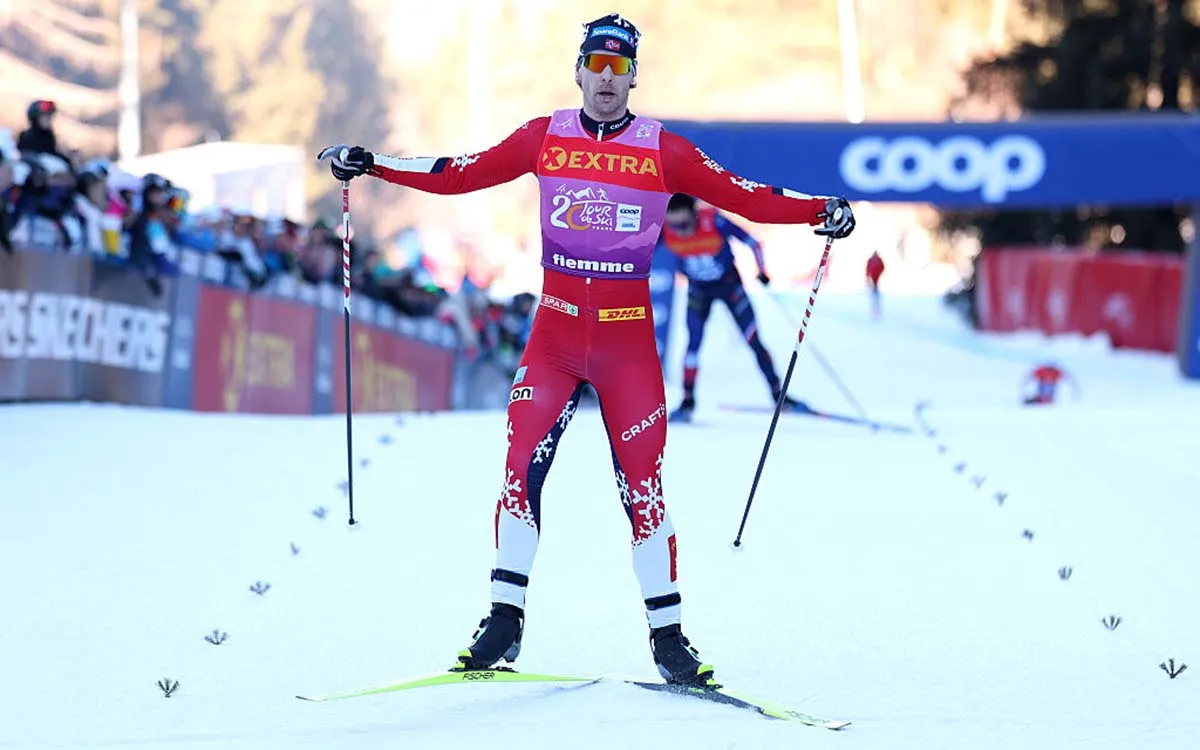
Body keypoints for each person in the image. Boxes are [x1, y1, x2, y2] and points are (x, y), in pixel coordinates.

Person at [321, 12, 856, 687]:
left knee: (644, 488)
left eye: (619, 68)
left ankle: (669, 639)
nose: (607, 79)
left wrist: (819, 210)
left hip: (627, 345)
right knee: (520, 466)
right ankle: (504, 620)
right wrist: (373, 164)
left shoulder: (666, 150)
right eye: (596, 66)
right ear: (578, 71)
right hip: (555, 336)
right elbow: (462, 171)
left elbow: (742, 194)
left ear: (633, 77)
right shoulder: (545, 136)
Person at [657, 193, 804, 423]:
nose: (679, 230)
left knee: (753, 340)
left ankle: (779, 395)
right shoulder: (663, 229)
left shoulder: (713, 220)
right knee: (693, 345)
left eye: (683, 224)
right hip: (698, 292)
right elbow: (639, 250)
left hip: (730, 288)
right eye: (674, 225)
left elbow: (753, 243)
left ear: (694, 215)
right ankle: (687, 402)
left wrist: (762, 271)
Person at [866, 250, 885, 319]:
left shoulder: (877, 260)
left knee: (875, 288)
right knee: (874, 289)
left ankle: (876, 308)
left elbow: (882, 267)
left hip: (876, 277)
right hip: (873, 277)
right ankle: (875, 308)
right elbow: (868, 268)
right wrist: (868, 276)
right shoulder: (871, 260)